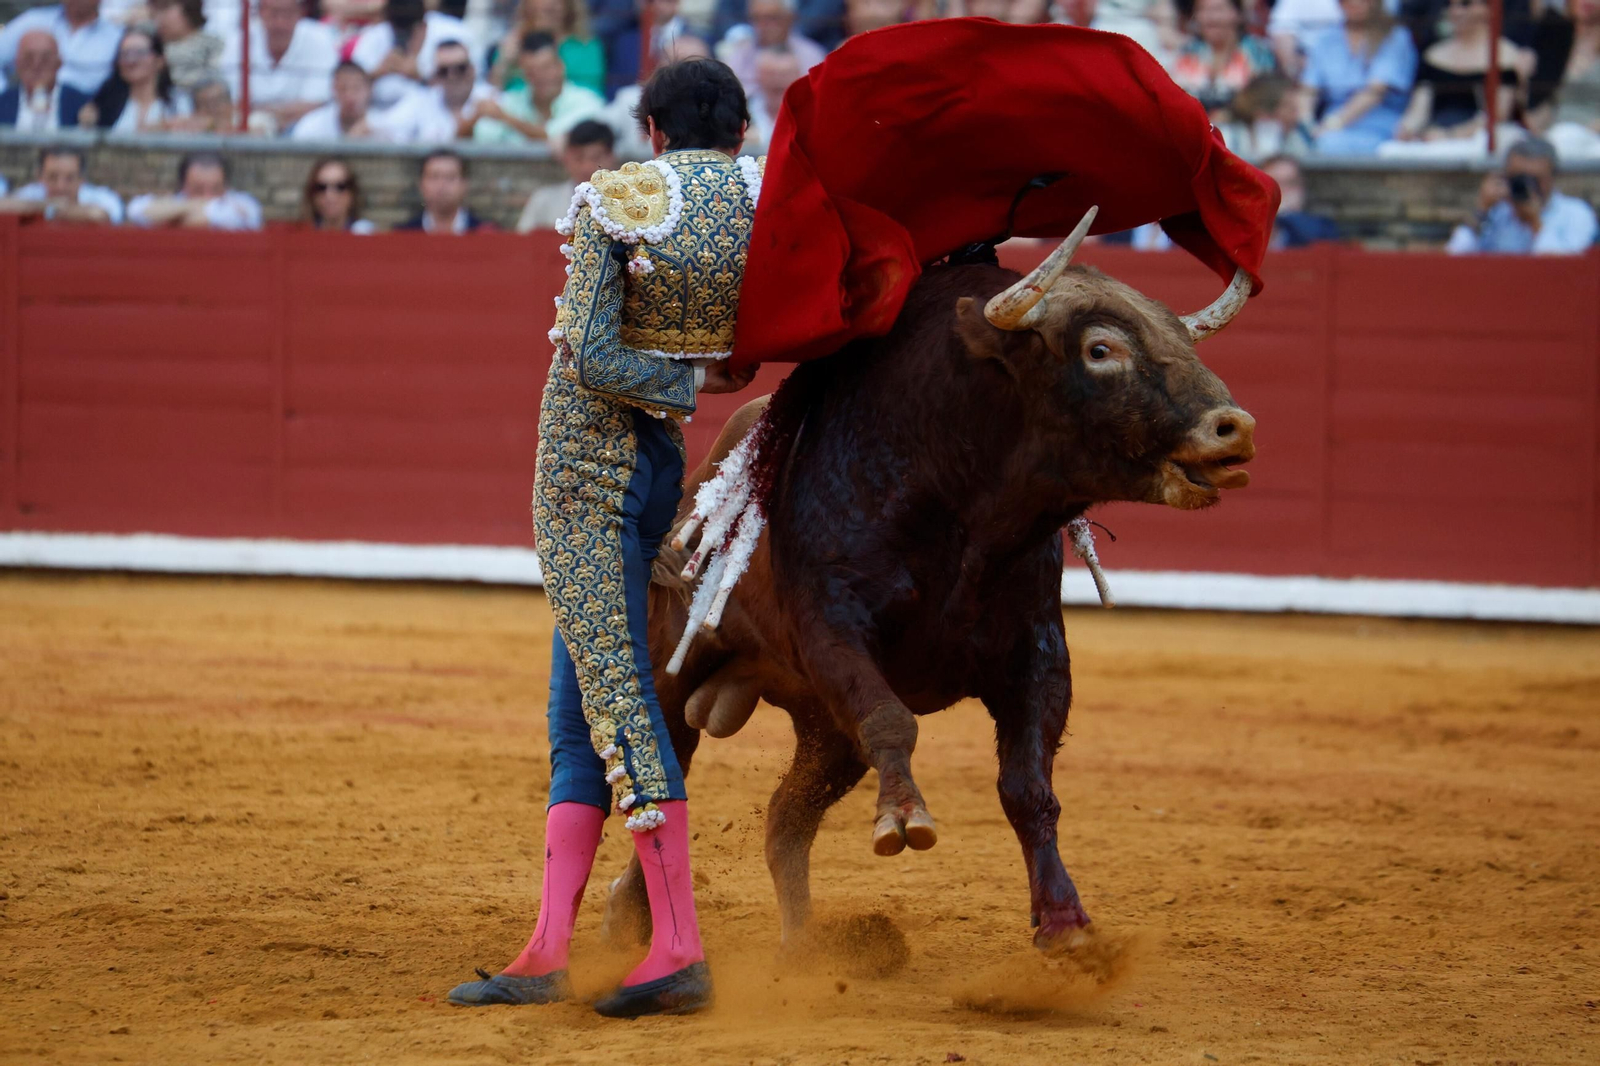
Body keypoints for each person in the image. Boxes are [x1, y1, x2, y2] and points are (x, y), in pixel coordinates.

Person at [446, 56, 761, 1018]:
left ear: (655, 133)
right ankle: (545, 947)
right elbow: (750, 343)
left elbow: (587, 348)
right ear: (739, 133)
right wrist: (701, 381)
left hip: (588, 468)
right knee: (579, 700)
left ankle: (678, 946)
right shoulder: (761, 202)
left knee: (616, 699)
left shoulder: (620, 198)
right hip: (662, 462)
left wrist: (676, 383)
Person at [1389, 0, 1531, 146]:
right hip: (1434, 137)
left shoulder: (1506, 56)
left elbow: (1497, 115)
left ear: (1488, 9)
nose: (1455, 11)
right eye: (1449, 4)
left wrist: (1451, 135)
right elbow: (1419, 109)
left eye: (1465, 4)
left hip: (1479, 140)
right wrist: (1407, 128)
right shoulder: (1432, 55)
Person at [1300, 0, 1417, 154]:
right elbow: (1308, 90)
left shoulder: (1395, 36)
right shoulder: (1326, 38)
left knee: (1329, 145)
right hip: (1328, 123)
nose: (1354, 3)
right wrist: (1306, 124)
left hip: (1379, 124)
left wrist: (1334, 123)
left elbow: (1375, 92)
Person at [1446, 136, 1598, 253]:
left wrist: (1535, 223)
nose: (1528, 186)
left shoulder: (1576, 213)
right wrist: (1481, 210)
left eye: (1535, 179)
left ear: (1553, 177)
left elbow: (1566, 270)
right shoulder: (1497, 211)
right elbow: (1455, 255)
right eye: (1519, 178)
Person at [221, 0, 341, 135]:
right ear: (260, 12)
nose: (280, 23)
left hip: (303, 126)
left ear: (300, 13)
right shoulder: (239, 39)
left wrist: (266, 115)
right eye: (274, 13)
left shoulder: (320, 38)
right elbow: (232, 99)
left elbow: (318, 102)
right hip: (251, 124)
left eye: (287, 13)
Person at [472, 30, 605, 145]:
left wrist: (506, 119)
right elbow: (484, 134)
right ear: (523, 74)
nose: (540, 77)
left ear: (561, 67)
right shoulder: (511, 101)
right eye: (531, 71)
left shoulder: (588, 102)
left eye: (546, 68)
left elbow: (556, 137)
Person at [350, 0, 478, 108]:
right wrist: (376, 73)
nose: (404, 36)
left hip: (435, 122)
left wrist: (420, 76)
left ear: (423, 26)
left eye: (409, 31)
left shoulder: (454, 32)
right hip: (378, 118)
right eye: (398, 30)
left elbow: (470, 89)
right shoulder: (373, 37)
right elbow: (344, 85)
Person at [1171, 0, 1278, 116]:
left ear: (1237, 14)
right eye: (1202, 10)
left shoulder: (1257, 53)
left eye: (1218, 9)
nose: (1211, 18)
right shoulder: (1187, 53)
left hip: (1243, 128)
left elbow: (1268, 100)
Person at [81, 27, 192, 132]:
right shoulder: (106, 101)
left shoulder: (178, 100)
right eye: (125, 54)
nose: (131, 61)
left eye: (140, 53)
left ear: (159, 61)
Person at [0, 0, 122, 95]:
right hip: (28, 112)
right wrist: (4, 98)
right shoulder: (32, 21)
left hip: (87, 118)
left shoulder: (116, 37)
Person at [516, 118, 617, 231]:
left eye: (595, 158)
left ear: (611, 157)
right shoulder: (543, 200)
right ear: (566, 157)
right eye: (579, 158)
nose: (586, 167)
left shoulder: (626, 203)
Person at [1529, 0, 1600, 160]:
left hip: (1593, 137)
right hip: (1557, 134)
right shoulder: (1555, 44)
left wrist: (1585, 132)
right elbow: (1539, 111)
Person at [716, 0, 824, 103]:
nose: (764, 25)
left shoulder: (812, 56)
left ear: (790, 17)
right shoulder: (737, 57)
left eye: (772, 18)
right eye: (757, 18)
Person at [492, 0, 605, 97]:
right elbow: (493, 96)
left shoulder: (585, 46)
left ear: (568, 6)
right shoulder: (512, 43)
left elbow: (590, 97)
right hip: (517, 114)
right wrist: (503, 62)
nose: (546, 4)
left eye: (555, 3)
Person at [127, 151, 264, 229]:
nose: (207, 196)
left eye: (216, 189)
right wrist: (191, 206)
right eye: (198, 189)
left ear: (226, 186)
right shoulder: (176, 201)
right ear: (183, 185)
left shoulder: (245, 203)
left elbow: (233, 217)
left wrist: (174, 215)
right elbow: (135, 211)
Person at [290, 61, 414, 141]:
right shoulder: (312, 124)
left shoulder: (384, 123)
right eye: (343, 89)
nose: (350, 96)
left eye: (357, 88)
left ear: (369, 90)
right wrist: (350, 141)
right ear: (333, 90)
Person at [0, 145, 123, 223]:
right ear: (40, 176)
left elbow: (98, 216)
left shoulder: (100, 196)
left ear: (82, 179)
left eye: (70, 178)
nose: (60, 186)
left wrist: (52, 210)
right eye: (52, 177)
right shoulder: (34, 193)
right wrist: (46, 205)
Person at [0, 31, 92, 131]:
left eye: (45, 59)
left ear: (59, 63)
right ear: (17, 63)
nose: (36, 65)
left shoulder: (82, 104)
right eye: (29, 58)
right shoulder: (2, 103)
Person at [409, 38, 495, 140]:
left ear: (473, 70)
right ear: (436, 76)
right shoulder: (421, 100)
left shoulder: (493, 97)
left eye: (460, 68)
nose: (452, 76)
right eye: (444, 71)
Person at [394, 148, 493, 231]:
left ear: (464, 184)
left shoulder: (486, 233)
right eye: (434, 177)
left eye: (450, 177)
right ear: (421, 184)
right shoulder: (404, 233)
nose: (442, 185)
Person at [1259, 154, 1339, 247]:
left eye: (1291, 183)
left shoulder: (1324, 228)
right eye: (1274, 184)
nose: (1283, 190)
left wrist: (1289, 215)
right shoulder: (1247, 230)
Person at [151, 0, 222, 91]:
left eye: (165, 8)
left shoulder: (216, 46)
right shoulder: (152, 49)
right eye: (155, 11)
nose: (158, 18)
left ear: (188, 7)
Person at [301, 156, 375, 232]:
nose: (330, 195)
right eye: (321, 187)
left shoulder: (366, 233)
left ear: (352, 192)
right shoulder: (302, 234)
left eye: (340, 187)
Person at [746, 44, 800, 146]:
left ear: (798, 77)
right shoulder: (740, 111)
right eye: (771, 74)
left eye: (785, 74)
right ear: (758, 76)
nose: (778, 80)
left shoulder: (814, 114)